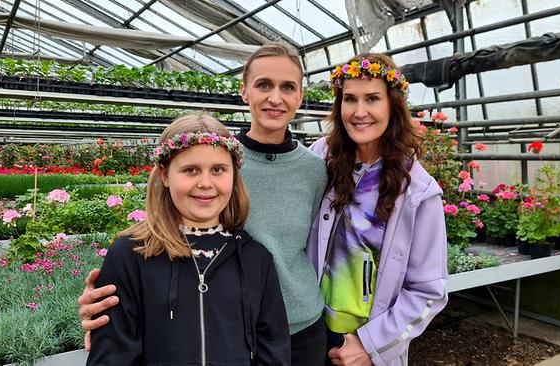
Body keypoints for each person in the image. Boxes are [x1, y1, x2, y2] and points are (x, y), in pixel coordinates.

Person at [79, 43, 329, 365]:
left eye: (288, 87)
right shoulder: (215, 150)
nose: (275, 97)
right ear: (244, 91)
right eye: (263, 84)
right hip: (226, 324)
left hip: (300, 326)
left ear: (300, 95)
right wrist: (113, 297)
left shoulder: (315, 170)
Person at [86, 115, 290, 365]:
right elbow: (113, 355)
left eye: (218, 170)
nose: (205, 183)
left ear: (233, 176)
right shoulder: (130, 255)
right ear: (164, 175)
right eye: (190, 170)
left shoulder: (255, 258)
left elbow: (274, 349)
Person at [306, 53, 449, 366]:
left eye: (372, 98)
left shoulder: (417, 191)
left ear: (392, 105)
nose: (360, 112)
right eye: (350, 99)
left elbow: (427, 290)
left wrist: (369, 345)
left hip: (366, 345)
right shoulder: (320, 160)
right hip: (309, 335)